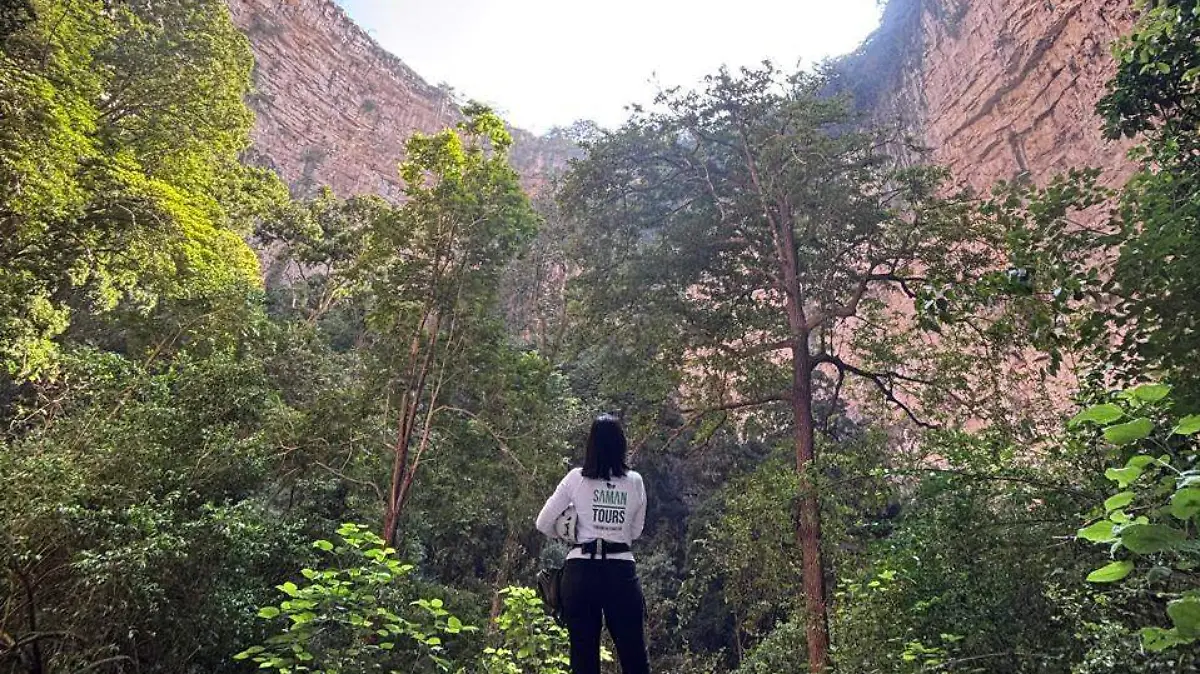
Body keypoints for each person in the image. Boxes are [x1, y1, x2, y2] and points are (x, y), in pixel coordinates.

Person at [536, 414, 649, 674]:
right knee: (634, 657)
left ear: (591, 445)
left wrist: (569, 533)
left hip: (580, 573)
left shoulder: (576, 478)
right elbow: (635, 531)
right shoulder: (635, 481)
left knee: (583, 658)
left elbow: (543, 523)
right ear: (621, 444)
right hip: (620, 572)